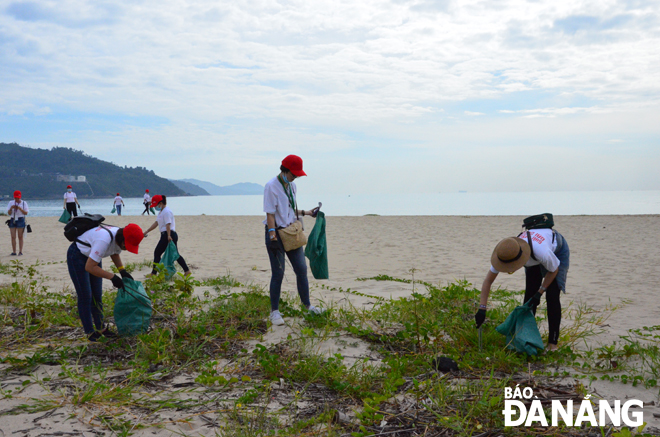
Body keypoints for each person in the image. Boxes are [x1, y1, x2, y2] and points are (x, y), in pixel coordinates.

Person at [474, 218, 570, 351]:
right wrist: (482, 308)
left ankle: (553, 344)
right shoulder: (506, 252)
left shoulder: (542, 252)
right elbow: (488, 281)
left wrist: (540, 292)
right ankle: (527, 339)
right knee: (529, 298)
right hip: (533, 254)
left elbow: (554, 270)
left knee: (552, 296)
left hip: (556, 250)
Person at [263, 155, 322, 326]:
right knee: (278, 273)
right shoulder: (271, 186)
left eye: (297, 174)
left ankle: (308, 306)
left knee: (301, 269)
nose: (295, 177)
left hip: (291, 232)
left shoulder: (292, 186)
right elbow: (270, 213)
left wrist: (307, 213)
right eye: (293, 173)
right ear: (284, 170)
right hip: (276, 234)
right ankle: (274, 312)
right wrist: (273, 237)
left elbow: (289, 210)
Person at [67, 222, 144, 341]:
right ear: (122, 238)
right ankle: (90, 332)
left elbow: (114, 250)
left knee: (97, 296)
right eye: (126, 246)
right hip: (77, 256)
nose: (126, 249)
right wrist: (113, 277)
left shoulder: (118, 235)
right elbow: (90, 267)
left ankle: (101, 328)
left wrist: (122, 270)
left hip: (93, 257)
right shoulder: (103, 240)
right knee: (85, 296)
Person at [143, 195, 191, 277]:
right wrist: (147, 231)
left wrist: (168, 236)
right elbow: (156, 223)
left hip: (169, 234)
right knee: (175, 254)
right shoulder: (161, 212)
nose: (155, 207)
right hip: (165, 234)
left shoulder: (167, 211)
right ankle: (187, 270)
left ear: (161, 203)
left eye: (156, 205)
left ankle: (153, 273)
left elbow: (168, 224)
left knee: (157, 252)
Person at [7, 190, 29, 256]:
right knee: (13, 236)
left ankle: (20, 251)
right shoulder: (11, 202)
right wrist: (11, 208)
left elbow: (26, 213)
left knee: (20, 236)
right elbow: (9, 213)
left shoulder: (24, 203)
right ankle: (14, 251)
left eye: (18, 198)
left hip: (20, 219)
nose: (17, 199)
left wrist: (20, 209)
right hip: (13, 219)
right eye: (15, 198)